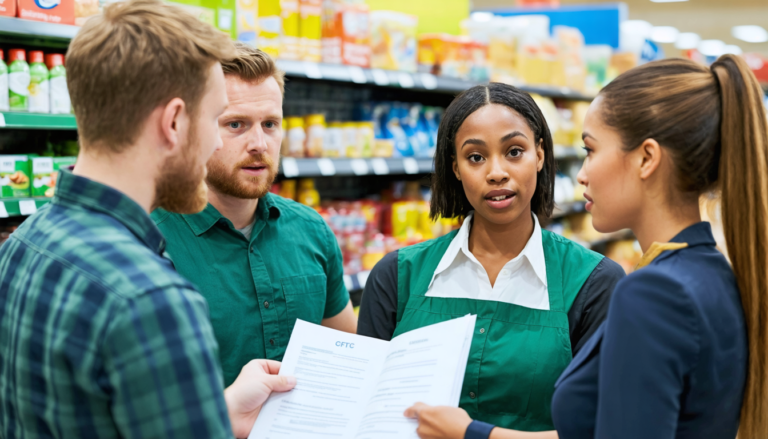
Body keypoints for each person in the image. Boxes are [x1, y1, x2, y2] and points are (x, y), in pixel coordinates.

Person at [404, 55, 768, 439]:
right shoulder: (714, 272)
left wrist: (471, 434)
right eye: (475, 157)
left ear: (646, 158)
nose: (581, 173)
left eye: (591, 150)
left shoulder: (653, 292)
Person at [0, 1, 294, 438]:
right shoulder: (151, 299)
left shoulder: (22, 243)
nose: (217, 141)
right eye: (218, 120)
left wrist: (220, 409)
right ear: (174, 122)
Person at [357, 82, 625, 433]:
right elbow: (365, 412)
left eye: (514, 151)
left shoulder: (595, 283)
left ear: (540, 154)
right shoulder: (396, 276)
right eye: (476, 157)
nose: (496, 172)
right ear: (455, 167)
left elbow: (603, 429)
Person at [152, 44, 357, 387]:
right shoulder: (150, 241)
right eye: (236, 124)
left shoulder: (312, 231)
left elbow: (351, 355)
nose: (259, 143)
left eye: (270, 124)